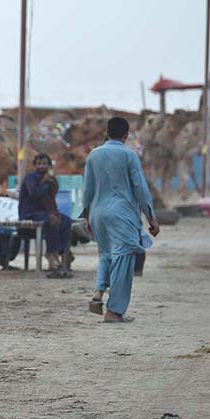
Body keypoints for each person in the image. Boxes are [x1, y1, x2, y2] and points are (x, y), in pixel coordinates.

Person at [82, 117, 160, 323]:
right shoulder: (129, 155)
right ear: (126, 135)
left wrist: (87, 216)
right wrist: (151, 217)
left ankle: (99, 291)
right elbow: (140, 189)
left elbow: (87, 189)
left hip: (97, 213)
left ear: (107, 132)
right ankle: (114, 311)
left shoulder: (93, 155)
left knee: (106, 255)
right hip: (121, 213)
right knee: (123, 259)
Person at [18, 153, 72, 273]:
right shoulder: (30, 178)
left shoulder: (50, 179)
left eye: (44, 164)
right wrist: (46, 183)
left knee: (66, 221)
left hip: (45, 213)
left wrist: (49, 182)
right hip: (29, 214)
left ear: (49, 166)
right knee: (51, 220)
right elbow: (34, 194)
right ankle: (51, 255)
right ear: (34, 165)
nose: (42, 166)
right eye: (39, 164)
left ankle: (61, 253)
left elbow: (52, 198)